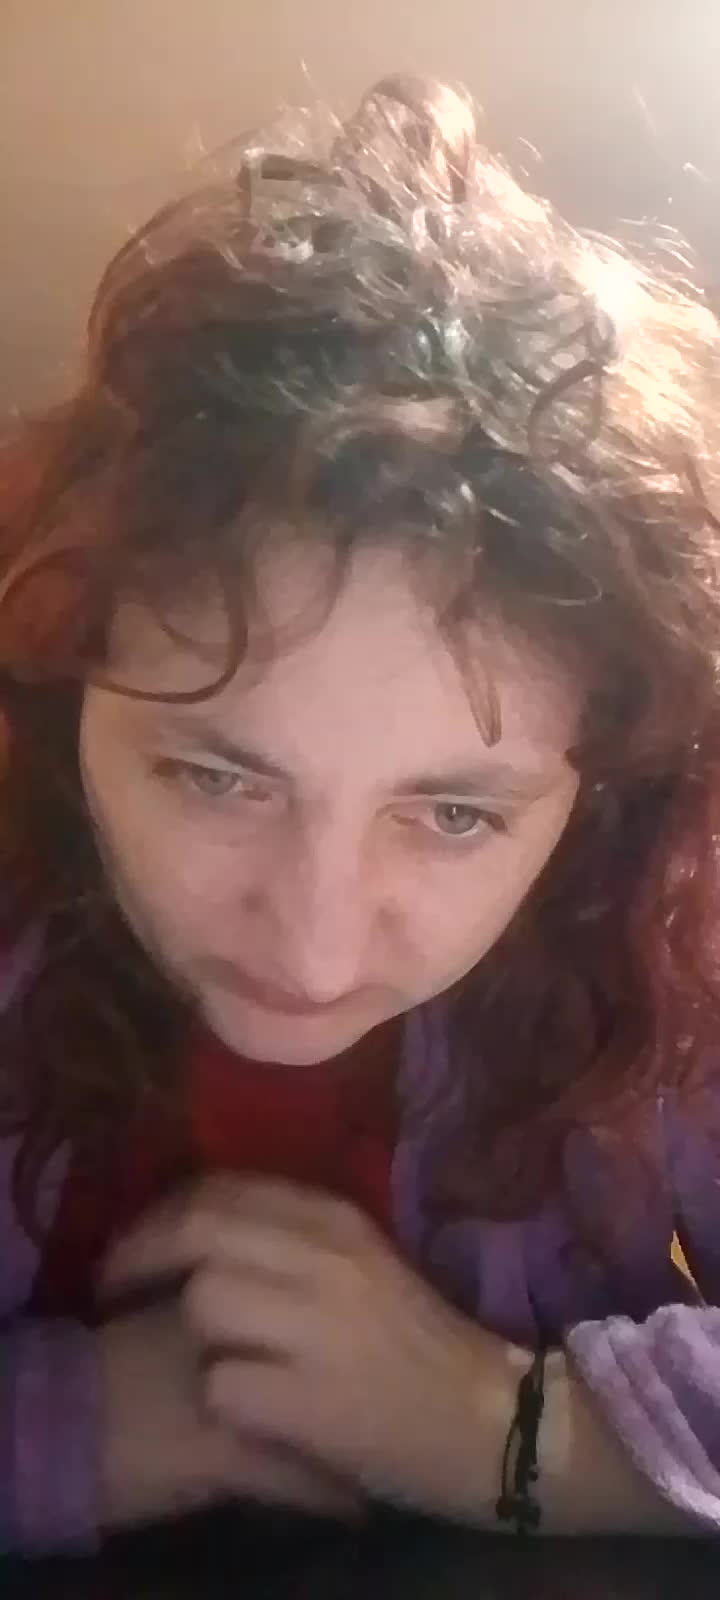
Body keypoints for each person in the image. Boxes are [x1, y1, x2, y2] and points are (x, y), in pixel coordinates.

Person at [2, 71, 720, 1557]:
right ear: (65, 686)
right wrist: (69, 1430)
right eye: (216, 777)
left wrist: (509, 1429)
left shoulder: (665, 925)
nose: (315, 948)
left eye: (454, 814)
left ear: (595, 787)